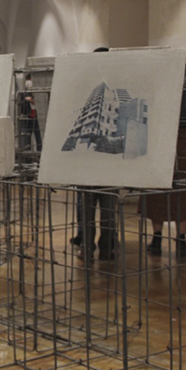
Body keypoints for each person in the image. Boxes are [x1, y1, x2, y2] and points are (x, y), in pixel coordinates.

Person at [147, 66, 186, 257]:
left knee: (158, 191)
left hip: (160, 143)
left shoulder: (157, 91)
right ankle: (180, 242)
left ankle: (157, 239)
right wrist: (183, 133)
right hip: (182, 144)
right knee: (183, 191)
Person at [70, 47, 119, 261]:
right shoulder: (91, 87)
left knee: (101, 210)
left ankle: (101, 247)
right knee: (93, 209)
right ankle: (93, 247)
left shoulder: (110, 87)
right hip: (93, 160)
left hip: (104, 159)